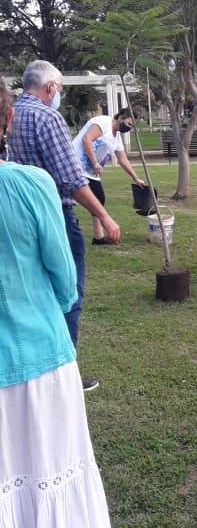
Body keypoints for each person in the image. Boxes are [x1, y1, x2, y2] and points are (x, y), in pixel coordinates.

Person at [0, 77, 114, 528]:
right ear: (7, 122)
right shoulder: (28, 185)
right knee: (52, 469)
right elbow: (65, 281)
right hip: (41, 358)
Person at [9, 60, 121, 392]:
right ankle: (65, 374)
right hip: (54, 215)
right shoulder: (48, 117)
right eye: (59, 88)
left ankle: (35, 371)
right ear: (51, 88)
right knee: (68, 290)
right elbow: (71, 180)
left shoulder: (10, 115)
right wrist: (104, 216)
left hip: (14, 219)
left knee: (29, 294)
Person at [73, 108, 146, 244]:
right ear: (121, 117)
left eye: (132, 127)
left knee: (99, 199)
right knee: (76, 198)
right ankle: (77, 230)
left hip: (91, 172)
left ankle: (98, 238)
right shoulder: (103, 122)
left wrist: (135, 178)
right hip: (75, 165)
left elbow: (123, 160)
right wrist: (95, 162)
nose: (129, 128)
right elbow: (86, 139)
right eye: (129, 124)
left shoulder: (116, 138)